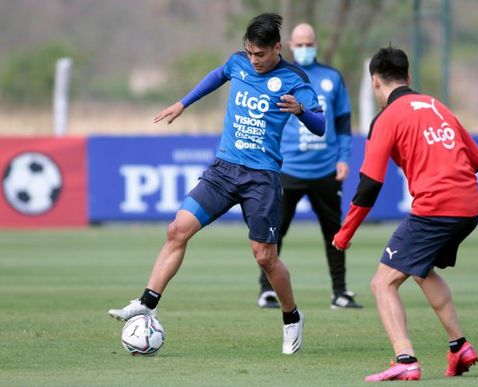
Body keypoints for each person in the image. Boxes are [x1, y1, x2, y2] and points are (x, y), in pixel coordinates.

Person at [108, 13, 325, 355]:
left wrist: (300, 111)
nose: (253, 61)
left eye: (261, 55)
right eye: (250, 53)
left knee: (265, 258)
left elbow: (321, 126)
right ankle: (147, 303)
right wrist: (183, 102)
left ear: (277, 48)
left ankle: (291, 317)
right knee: (177, 229)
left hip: (262, 178)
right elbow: (218, 75)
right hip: (224, 170)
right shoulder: (237, 63)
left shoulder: (295, 79)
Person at [332, 46, 478, 381]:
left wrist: (345, 233)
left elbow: (370, 184)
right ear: (409, 77)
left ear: (375, 83)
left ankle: (406, 359)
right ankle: (459, 347)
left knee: (382, 283)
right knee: (421, 270)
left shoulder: (386, 119)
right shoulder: (437, 106)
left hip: (436, 208)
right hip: (470, 205)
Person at [256, 23, 361, 310]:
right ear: (290, 45)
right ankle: (267, 290)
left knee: (335, 233)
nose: (304, 49)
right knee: (275, 230)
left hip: (325, 169)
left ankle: (340, 292)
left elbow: (341, 123)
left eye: (308, 44)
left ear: (316, 43)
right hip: (288, 168)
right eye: (299, 44)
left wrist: (344, 158)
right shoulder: (280, 76)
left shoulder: (331, 78)